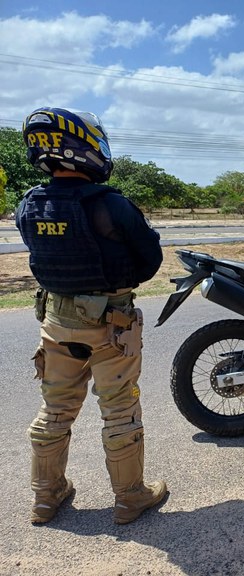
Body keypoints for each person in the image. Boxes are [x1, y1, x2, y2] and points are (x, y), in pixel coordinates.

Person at [15, 107, 167, 525]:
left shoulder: (29, 204)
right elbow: (149, 262)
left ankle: (46, 498)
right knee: (120, 411)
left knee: (55, 409)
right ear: (86, 146)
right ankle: (130, 496)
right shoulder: (113, 205)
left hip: (55, 324)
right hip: (111, 326)